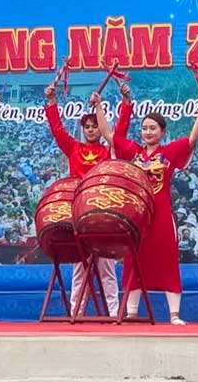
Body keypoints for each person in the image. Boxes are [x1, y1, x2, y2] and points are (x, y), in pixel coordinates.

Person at [111, 82, 198, 325]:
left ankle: (174, 314)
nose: (147, 132)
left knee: (167, 259)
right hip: (138, 218)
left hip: (162, 216)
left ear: (162, 131)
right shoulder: (134, 152)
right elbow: (109, 135)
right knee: (134, 259)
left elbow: (193, 137)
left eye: (153, 128)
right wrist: (112, 105)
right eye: (144, 128)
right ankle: (131, 312)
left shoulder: (169, 152)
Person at [42, 82, 119, 317]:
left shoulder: (109, 151)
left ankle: (115, 313)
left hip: (102, 212)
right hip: (78, 213)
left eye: (95, 126)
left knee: (107, 267)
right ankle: (76, 311)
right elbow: (57, 130)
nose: (91, 130)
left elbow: (117, 134)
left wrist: (101, 106)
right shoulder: (73, 148)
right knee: (79, 267)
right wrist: (52, 102)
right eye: (87, 126)